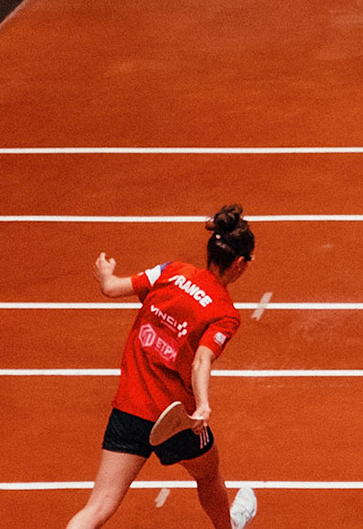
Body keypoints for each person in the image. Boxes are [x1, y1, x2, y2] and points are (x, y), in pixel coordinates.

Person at [66, 204, 260, 529]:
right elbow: (202, 359)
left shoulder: (172, 271)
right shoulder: (224, 313)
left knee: (98, 507)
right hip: (175, 419)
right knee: (209, 475)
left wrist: (105, 274)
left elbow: (112, 288)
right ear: (240, 263)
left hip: (129, 409)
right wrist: (203, 405)